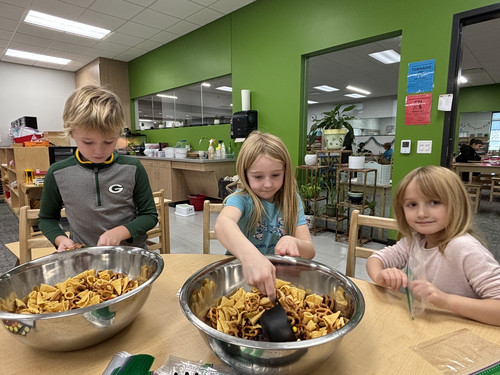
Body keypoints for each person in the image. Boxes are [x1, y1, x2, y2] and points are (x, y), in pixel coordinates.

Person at [366, 165, 500, 326]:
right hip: (419, 324)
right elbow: (375, 259)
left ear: (456, 204)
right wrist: (380, 276)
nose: (422, 213)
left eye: (434, 202)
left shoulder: (465, 248)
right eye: (412, 204)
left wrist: (446, 300)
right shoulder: (416, 239)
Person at [38, 85, 158, 251]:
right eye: (88, 142)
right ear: (71, 132)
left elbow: (149, 215)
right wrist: (60, 239)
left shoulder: (132, 167)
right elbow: (46, 218)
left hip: (131, 256)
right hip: (84, 257)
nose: (99, 151)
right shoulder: (57, 173)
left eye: (109, 141)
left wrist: (121, 232)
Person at [214, 131, 315, 301]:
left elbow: (310, 251)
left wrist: (295, 242)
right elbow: (223, 223)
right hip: (241, 280)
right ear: (245, 174)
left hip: (281, 278)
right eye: (258, 177)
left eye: (276, 175)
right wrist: (251, 257)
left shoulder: (292, 200)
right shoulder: (241, 199)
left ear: (285, 172)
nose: (268, 184)